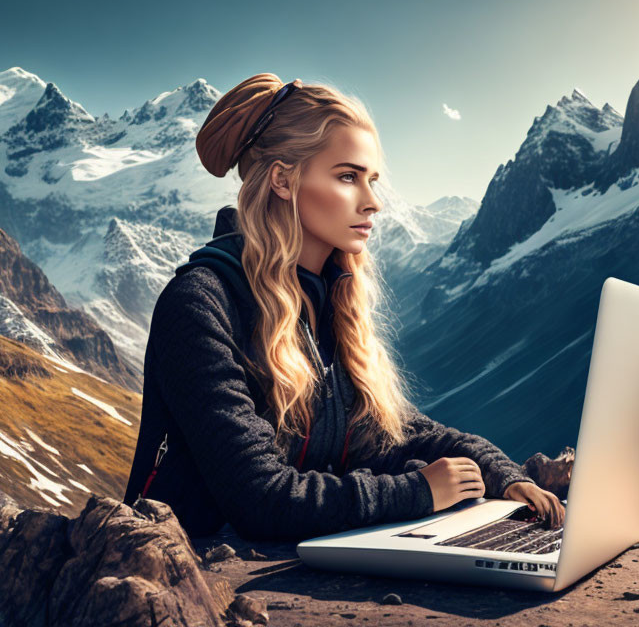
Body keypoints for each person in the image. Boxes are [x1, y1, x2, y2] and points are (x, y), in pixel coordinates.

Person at [122, 73, 565, 541]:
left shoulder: (327, 303)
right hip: (187, 579)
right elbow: (260, 496)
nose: (372, 202)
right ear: (282, 180)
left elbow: (395, 432)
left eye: (372, 180)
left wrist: (503, 474)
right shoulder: (201, 305)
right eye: (349, 177)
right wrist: (417, 491)